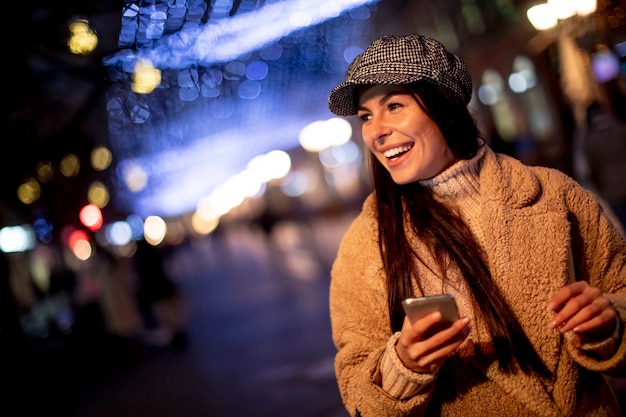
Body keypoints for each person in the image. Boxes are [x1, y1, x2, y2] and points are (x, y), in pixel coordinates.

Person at [326, 34, 626, 416]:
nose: (375, 131)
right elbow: (356, 388)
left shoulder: (554, 195)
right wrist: (403, 367)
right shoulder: (367, 242)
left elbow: (620, 290)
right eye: (366, 116)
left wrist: (608, 324)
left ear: (444, 106)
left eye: (394, 106)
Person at [572, 100, 626, 232]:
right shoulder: (620, 130)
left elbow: (590, 168)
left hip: (610, 187)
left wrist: (598, 187)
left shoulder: (589, 141)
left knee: (623, 220)